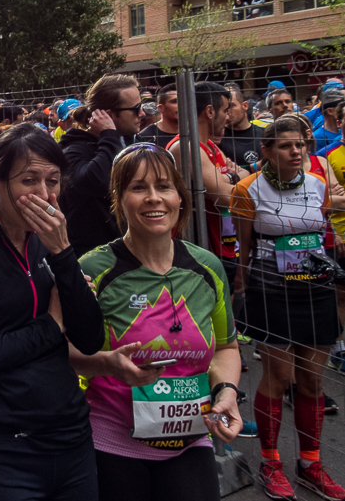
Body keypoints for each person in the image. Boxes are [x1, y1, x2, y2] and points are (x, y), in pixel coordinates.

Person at [0, 124, 105, 499]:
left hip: (71, 433)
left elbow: (91, 339)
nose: (44, 195)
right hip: (1, 443)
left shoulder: (51, 240)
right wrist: (52, 324)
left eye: (53, 181)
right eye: (29, 180)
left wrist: (63, 253)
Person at [74, 144, 242, 501]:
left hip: (191, 442)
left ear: (179, 197)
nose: (154, 198)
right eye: (138, 188)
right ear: (119, 199)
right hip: (111, 443)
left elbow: (227, 347)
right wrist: (106, 365)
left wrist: (226, 391)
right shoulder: (93, 270)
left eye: (164, 186)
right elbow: (63, 352)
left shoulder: (208, 268)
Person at [232, 117, 345, 500]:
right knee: (278, 379)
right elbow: (243, 249)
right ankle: (271, 461)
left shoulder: (316, 185)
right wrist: (243, 288)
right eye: (285, 146)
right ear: (266, 151)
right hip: (271, 292)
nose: (296, 152)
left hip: (316, 290)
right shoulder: (248, 189)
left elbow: (322, 234)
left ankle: (311, 464)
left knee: (313, 381)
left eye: (300, 145)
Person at [168, 82, 242, 287]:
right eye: (226, 110)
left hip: (224, 245)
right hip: (201, 252)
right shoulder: (187, 147)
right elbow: (226, 197)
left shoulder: (210, 146)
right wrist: (230, 179)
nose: (229, 116)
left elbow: (239, 177)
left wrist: (231, 180)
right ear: (210, 111)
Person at [59, 74, 140, 256]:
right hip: (95, 256)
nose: (142, 114)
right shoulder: (74, 149)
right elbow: (100, 181)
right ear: (109, 115)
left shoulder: (129, 141)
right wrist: (109, 135)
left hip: (131, 250)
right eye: (136, 108)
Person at [220, 84, 264, 169]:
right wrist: (255, 167)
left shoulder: (264, 133)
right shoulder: (218, 138)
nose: (227, 111)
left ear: (245, 106)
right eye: (223, 107)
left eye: (231, 106)